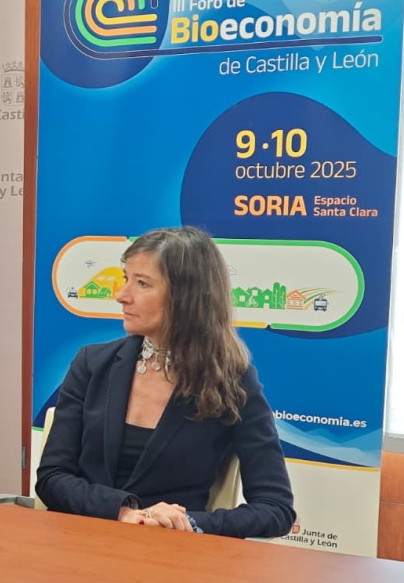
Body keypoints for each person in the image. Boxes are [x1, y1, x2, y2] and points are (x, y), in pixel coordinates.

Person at [36, 226, 295, 538]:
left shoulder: (232, 382)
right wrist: (126, 513)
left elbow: (275, 508)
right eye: (126, 278)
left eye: (142, 283)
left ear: (185, 297)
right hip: (79, 544)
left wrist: (186, 523)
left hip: (173, 558)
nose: (121, 295)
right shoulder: (92, 363)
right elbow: (52, 477)